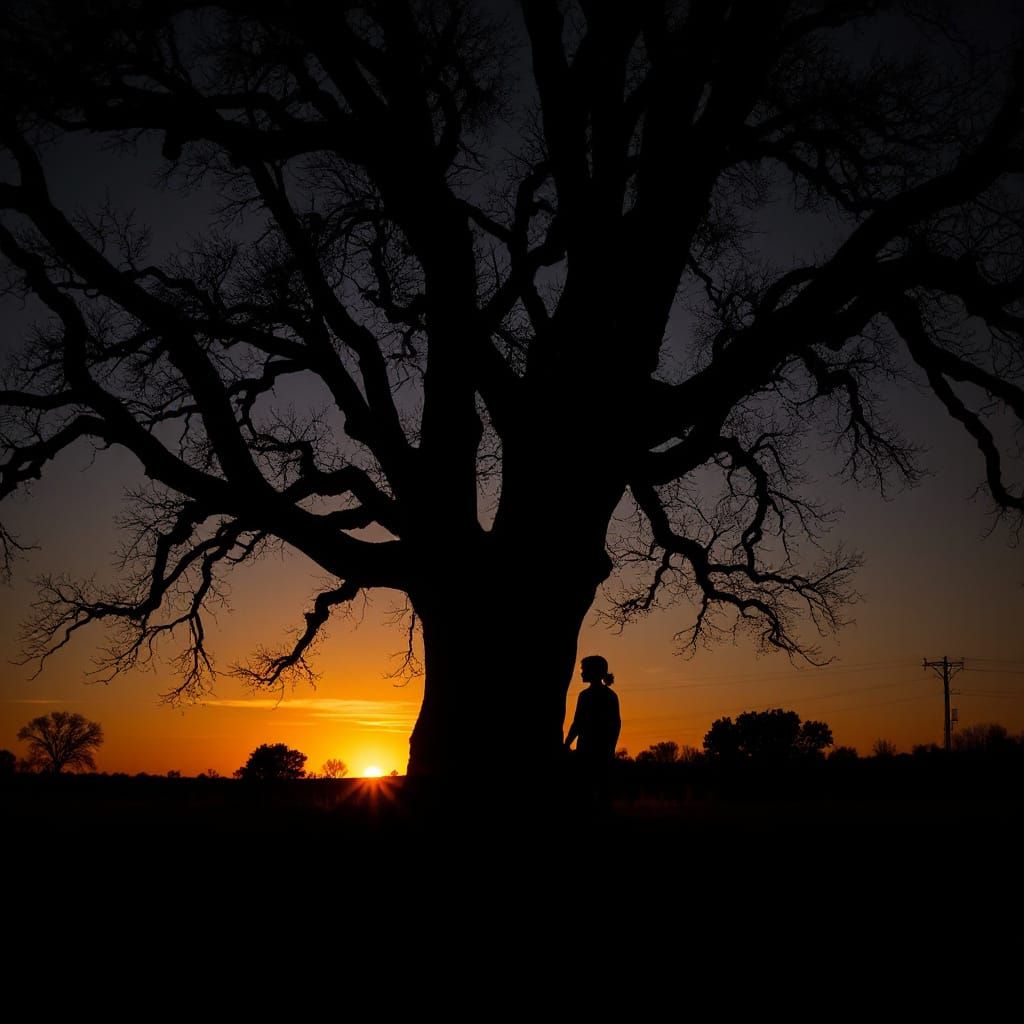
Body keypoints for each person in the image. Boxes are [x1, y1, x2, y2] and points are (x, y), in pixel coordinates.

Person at [564, 655, 621, 805]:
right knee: (600, 792)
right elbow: (616, 725)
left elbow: (577, 723)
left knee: (587, 791)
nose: (581, 673)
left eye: (584, 670)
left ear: (594, 672)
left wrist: (567, 743)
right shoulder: (610, 696)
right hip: (600, 751)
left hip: (590, 751)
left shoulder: (586, 696)